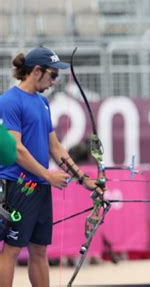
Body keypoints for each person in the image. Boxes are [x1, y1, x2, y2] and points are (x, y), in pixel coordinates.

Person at [0, 46, 105, 287]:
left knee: (39, 250)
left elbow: (56, 148)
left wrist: (84, 180)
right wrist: (47, 175)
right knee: (12, 251)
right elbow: (16, 149)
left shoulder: (42, 103)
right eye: (53, 75)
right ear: (36, 71)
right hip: (18, 186)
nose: (54, 81)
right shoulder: (9, 102)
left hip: (38, 186)